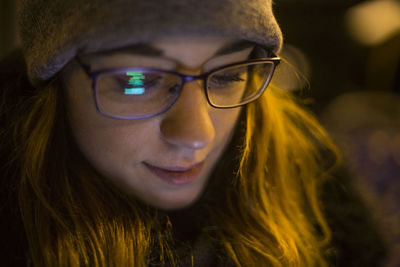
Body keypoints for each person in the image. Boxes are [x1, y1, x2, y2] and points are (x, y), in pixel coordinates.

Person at [0, 0, 387, 266]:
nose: (197, 135)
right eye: (138, 81)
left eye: (227, 75)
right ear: (54, 86)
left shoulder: (307, 183)